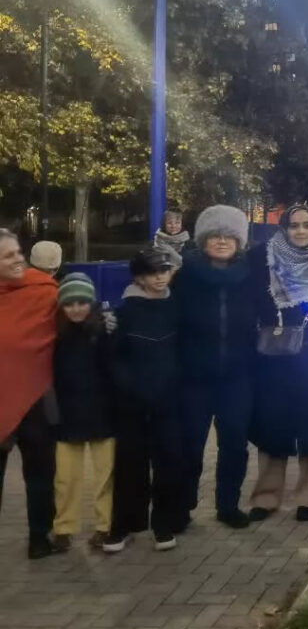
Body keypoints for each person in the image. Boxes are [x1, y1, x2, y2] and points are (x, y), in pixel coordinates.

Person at [248, 205, 308, 523]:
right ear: (284, 228)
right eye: (294, 225)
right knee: (272, 425)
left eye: (307, 225)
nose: (300, 231)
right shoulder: (263, 257)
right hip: (273, 354)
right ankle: (266, 496)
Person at [175, 205, 257, 529]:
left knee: (234, 444)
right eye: (214, 235)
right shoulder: (185, 276)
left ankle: (228, 505)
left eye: (229, 236)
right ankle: (182, 505)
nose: (222, 241)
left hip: (237, 377)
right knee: (190, 444)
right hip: (193, 377)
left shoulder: (250, 276)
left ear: (239, 241)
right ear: (203, 240)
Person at [105, 249, 185, 552]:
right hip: (132, 404)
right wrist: (130, 389)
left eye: (164, 271)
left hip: (168, 401)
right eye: (153, 272)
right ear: (139, 277)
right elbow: (114, 359)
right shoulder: (124, 312)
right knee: (129, 465)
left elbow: (183, 351)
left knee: (168, 463)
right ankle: (124, 526)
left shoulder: (176, 307)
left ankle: (163, 525)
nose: (160, 277)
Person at [0, 229, 58, 559]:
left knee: (41, 475)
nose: (18, 259)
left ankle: (40, 537)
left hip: (38, 398)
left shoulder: (44, 289)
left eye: (18, 252)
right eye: (8, 255)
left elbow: (71, 325)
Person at [51, 273, 116, 553]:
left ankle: (105, 526)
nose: (76, 308)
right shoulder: (55, 334)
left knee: (106, 476)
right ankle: (63, 528)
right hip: (68, 415)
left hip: (103, 413)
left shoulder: (105, 331)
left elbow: (115, 370)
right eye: (69, 303)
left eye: (82, 302)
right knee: (65, 478)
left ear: (91, 302)